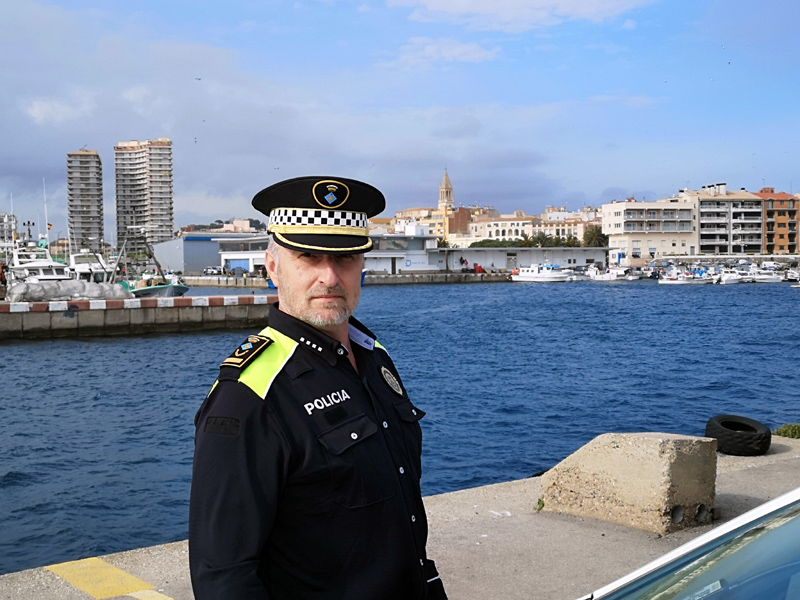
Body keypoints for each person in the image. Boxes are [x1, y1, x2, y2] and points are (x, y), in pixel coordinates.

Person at [189, 176, 447, 599]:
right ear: (272, 268)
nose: (329, 276)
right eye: (308, 257)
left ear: (362, 264)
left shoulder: (372, 356)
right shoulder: (248, 395)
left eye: (345, 258)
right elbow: (223, 575)